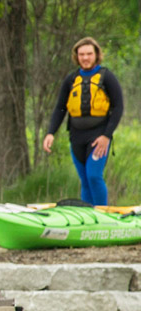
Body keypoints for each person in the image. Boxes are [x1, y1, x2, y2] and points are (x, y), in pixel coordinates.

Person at [43, 37, 124, 207]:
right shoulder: (71, 80)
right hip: (76, 136)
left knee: (94, 176)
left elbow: (118, 107)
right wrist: (51, 132)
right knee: (85, 180)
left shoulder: (107, 77)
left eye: (89, 54)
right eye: (81, 54)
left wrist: (106, 136)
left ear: (96, 55)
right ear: (76, 56)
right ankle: (87, 219)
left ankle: (102, 216)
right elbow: (60, 108)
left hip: (98, 136)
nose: (85, 58)